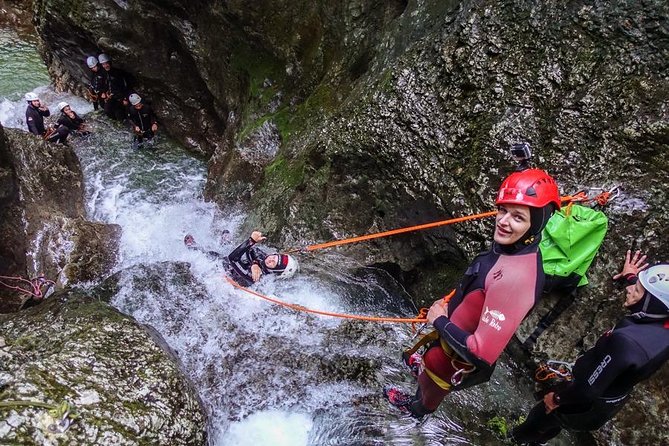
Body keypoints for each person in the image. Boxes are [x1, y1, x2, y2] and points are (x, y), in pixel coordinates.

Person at [384, 168, 561, 419]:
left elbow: (481, 352)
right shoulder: (511, 248)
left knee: (431, 389)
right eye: (502, 210)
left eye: (518, 217)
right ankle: (421, 371)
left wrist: (440, 321)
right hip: (446, 341)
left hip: (450, 359)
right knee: (429, 368)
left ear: (535, 225)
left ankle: (416, 410)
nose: (502, 221)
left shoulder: (517, 279)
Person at [510, 251, 669, 445]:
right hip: (608, 400)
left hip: (588, 402)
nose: (629, 290)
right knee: (552, 421)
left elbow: (586, 390)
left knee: (541, 416)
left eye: (637, 289)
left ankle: (513, 439)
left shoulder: (627, 343)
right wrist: (630, 277)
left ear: (652, 304)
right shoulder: (659, 325)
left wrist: (557, 398)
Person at [227, 231, 299, 286]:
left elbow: (232, 259)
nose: (270, 259)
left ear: (274, 271)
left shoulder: (256, 277)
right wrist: (255, 263)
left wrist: (251, 241)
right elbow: (251, 249)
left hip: (222, 272)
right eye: (274, 257)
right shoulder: (265, 260)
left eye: (273, 263)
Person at [98, 53, 129, 121]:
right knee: (107, 110)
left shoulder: (117, 73)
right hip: (111, 96)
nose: (105, 66)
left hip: (119, 96)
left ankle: (123, 120)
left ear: (109, 63)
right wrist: (103, 92)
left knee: (119, 113)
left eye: (106, 63)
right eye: (103, 64)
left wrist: (124, 98)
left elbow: (124, 86)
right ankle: (116, 121)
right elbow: (103, 84)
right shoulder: (103, 73)